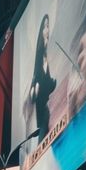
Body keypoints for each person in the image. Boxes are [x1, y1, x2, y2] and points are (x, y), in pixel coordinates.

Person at [30, 14, 56, 142]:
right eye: (45, 26)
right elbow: (36, 81)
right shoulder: (40, 54)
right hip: (43, 108)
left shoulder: (46, 54)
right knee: (42, 142)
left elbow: (46, 81)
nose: (47, 29)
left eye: (48, 26)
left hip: (47, 107)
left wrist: (52, 84)